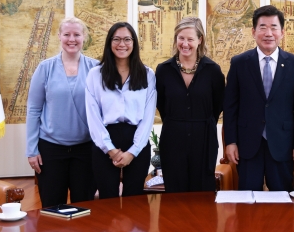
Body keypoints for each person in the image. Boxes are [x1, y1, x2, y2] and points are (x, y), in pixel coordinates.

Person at [223, 5, 294, 191]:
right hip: (247, 145)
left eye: (273, 27)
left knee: (282, 202)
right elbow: (230, 107)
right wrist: (230, 142)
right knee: (247, 201)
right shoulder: (239, 63)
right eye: (262, 27)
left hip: (282, 144)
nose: (268, 33)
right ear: (254, 32)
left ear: (282, 32)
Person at [26, 17, 98, 207]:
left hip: (86, 151)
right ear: (59, 36)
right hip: (50, 150)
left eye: (77, 34)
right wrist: (31, 150)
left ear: (84, 37)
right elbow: (34, 110)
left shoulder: (96, 68)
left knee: (84, 207)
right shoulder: (45, 68)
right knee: (52, 207)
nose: (71, 39)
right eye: (67, 34)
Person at [85, 22, 157, 199]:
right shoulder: (96, 75)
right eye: (116, 39)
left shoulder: (147, 74)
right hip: (105, 143)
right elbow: (93, 116)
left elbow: (148, 117)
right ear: (109, 43)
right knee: (107, 199)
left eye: (127, 39)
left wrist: (132, 152)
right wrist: (110, 150)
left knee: (135, 201)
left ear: (134, 43)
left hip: (137, 142)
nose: (121, 44)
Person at [155, 17, 225, 192]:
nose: (185, 44)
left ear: (200, 40)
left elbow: (218, 105)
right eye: (181, 38)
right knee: (174, 195)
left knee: (202, 195)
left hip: (204, 139)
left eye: (190, 39)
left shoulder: (213, 70)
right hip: (173, 139)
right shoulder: (163, 70)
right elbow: (161, 104)